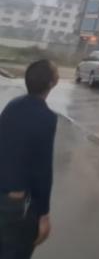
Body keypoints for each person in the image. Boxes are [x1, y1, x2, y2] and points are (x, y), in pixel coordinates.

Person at [0, 59, 59, 258]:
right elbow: (42, 170)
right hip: (16, 205)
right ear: (51, 82)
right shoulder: (46, 117)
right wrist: (44, 214)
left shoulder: (13, 106)